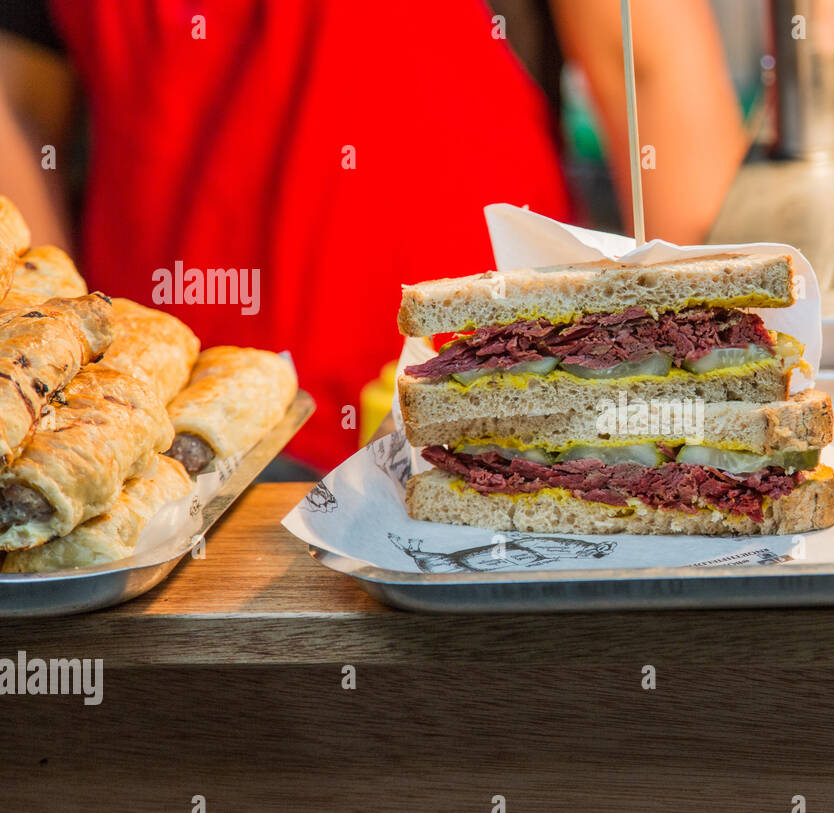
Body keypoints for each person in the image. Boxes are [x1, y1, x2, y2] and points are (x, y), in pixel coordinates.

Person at [0, 0, 746, 471]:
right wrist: (46, 392)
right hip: (158, 444)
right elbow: (20, 105)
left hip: (503, 409)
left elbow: (647, 62)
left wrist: (708, 383)